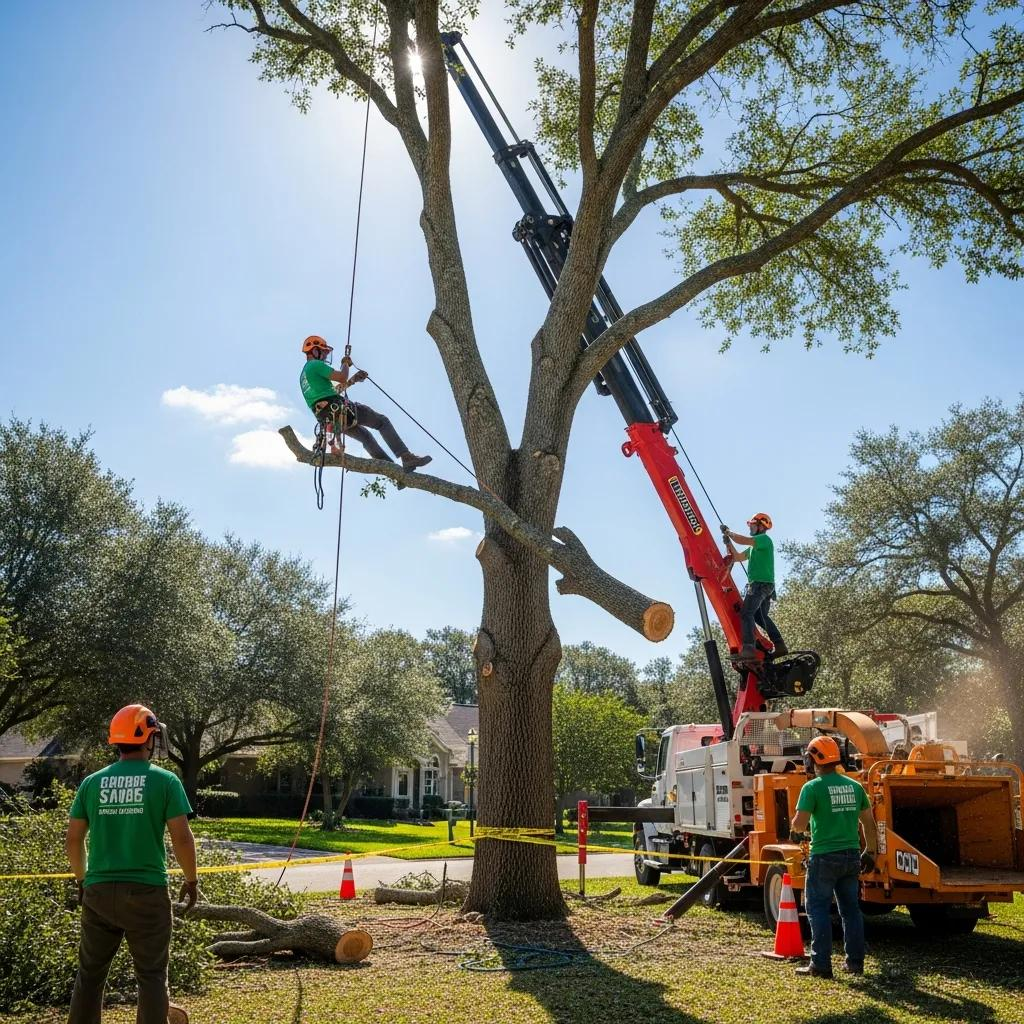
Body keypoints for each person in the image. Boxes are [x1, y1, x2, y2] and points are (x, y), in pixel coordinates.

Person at [66, 704, 198, 1024]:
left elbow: (73, 840)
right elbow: (182, 838)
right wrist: (191, 880)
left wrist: (83, 880)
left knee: (90, 976)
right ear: (147, 738)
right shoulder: (165, 782)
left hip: (98, 891)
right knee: (151, 976)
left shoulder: (91, 783)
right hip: (147, 893)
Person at [790, 735, 879, 979]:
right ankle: (855, 963)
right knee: (850, 911)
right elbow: (869, 824)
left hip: (824, 857)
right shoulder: (854, 786)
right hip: (851, 856)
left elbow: (799, 824)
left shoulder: (812, 788)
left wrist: (794, 829)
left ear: (813, 759)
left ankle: (820, 964)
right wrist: (870, 851)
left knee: (816, 908)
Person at [299, 335, 432, 469]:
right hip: (340, 410)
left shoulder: (304, 376)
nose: (324, 357)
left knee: (366, 438)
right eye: (323, 352)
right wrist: (345, 363)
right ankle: (406, 457)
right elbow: (342, 377)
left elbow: (330, 392)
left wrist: (353, 380)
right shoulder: (315, 365)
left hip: (332, 420)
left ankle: (392, 471)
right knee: (381, 422)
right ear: (315, 351)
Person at [721, 512, 787, 660]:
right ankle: (780, 645)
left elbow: (743, 540)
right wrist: (728, 543)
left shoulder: (763, 539)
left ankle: (749, 648)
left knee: (746, 613)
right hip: (765, 586)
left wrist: (729, 533)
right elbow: (737, 557)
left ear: (760, 527)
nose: (750, 527)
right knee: (760, 616)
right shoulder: (754, 547)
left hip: (759, 585)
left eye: (752, 525)